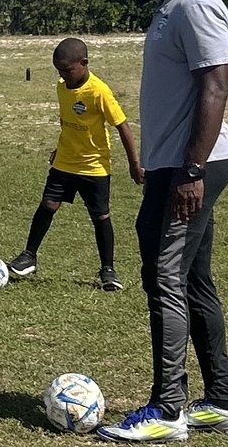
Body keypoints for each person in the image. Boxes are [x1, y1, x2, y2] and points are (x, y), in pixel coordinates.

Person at [94, 0, 228, 445]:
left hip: (190, 168)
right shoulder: (172, 6)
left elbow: (215, 87)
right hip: (174, 166)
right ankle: (222, 401)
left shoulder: (196, 5)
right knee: (192, 278)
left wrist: (192, 171)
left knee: (165, 276)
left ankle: (168, 408)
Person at [8, 37, 140, 292]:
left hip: (94, 166)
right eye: (59, 70)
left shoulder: (99, 91)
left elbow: (122, 126)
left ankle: (108, 270)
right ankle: (29, 256)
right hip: (64, 162)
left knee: (100, 216)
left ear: (84, 63)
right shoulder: (62, 87)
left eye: (67, 70)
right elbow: (69, 122)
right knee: (47, 205)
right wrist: (60, 149)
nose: (63, 75)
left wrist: (134, 164)